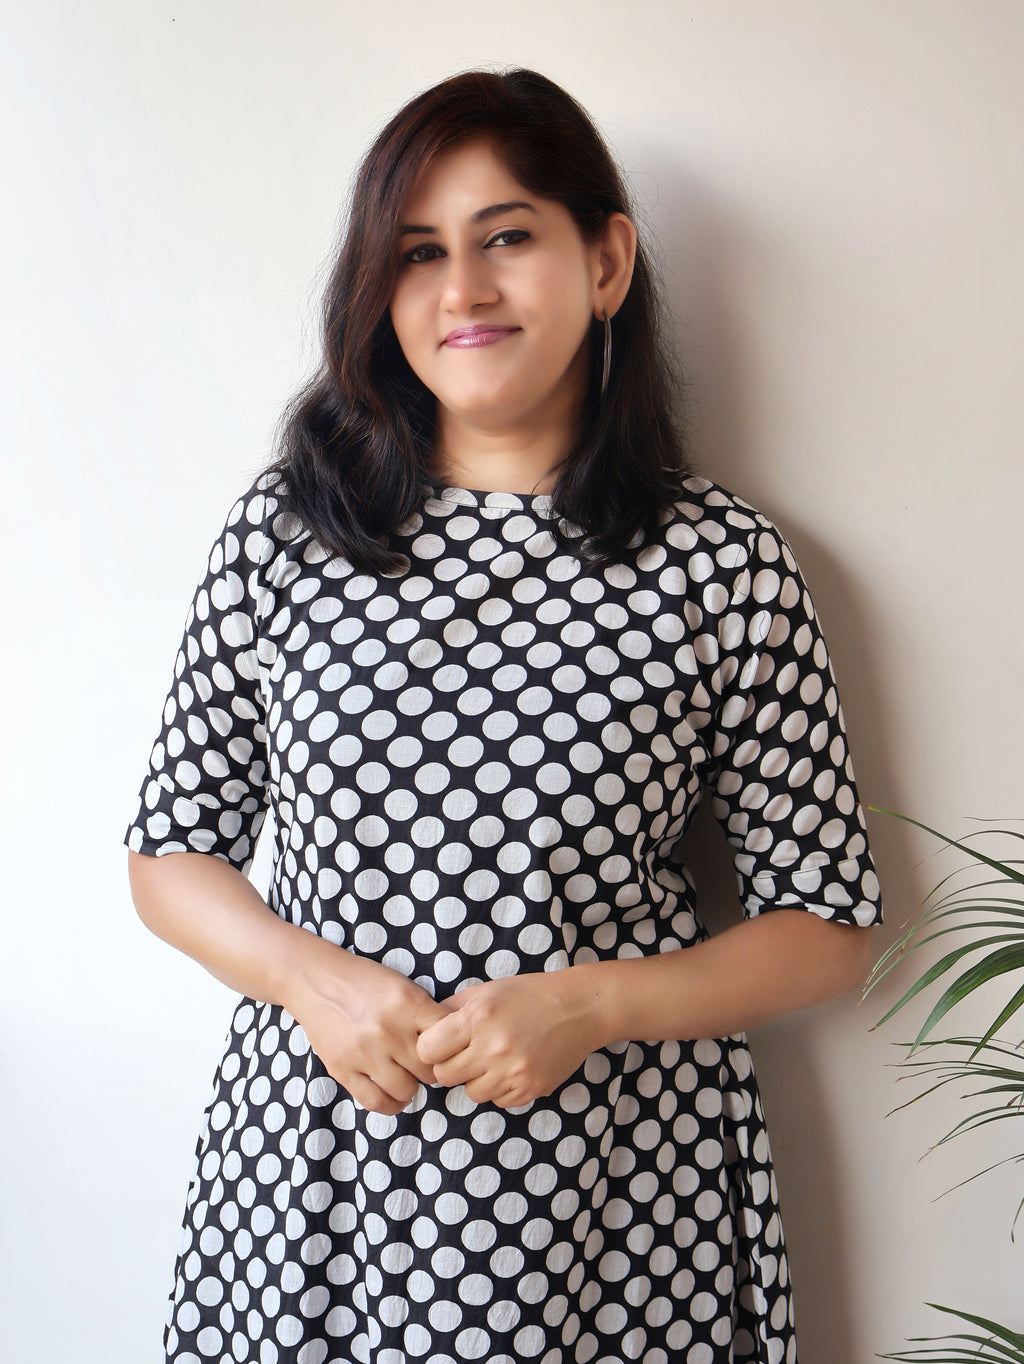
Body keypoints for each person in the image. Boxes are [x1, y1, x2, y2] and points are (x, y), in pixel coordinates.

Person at [126, 67, 883, 1364]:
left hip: (618, 1190)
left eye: (507, 237)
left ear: (607, 260)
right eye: (418, 254)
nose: (462, 292)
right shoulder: (290, 534)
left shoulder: (724, 565)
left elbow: (826, 928)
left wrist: (593, 1005)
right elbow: (169, 855)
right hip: (318, 1172)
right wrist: (312, 983)